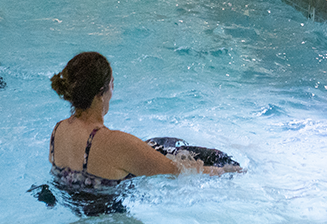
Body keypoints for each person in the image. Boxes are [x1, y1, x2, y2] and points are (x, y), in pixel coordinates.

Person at [48, 51, 237, 195]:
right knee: (219, 158)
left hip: (82, 201)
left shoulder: (59, 130)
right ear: (101, 93)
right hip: (113, 214)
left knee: (161, 142)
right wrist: (226, 171)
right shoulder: (116, 143)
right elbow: (179, 171)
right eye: (112, 83)